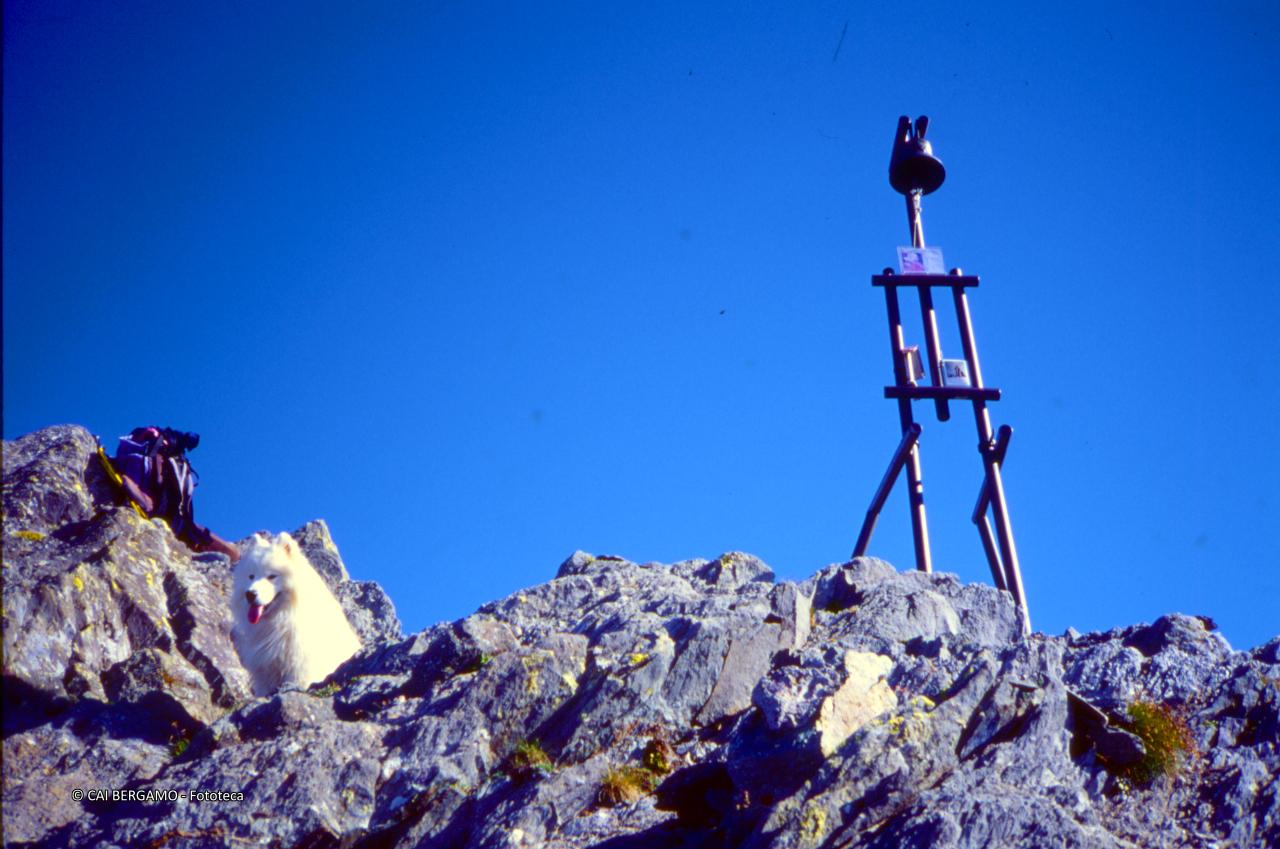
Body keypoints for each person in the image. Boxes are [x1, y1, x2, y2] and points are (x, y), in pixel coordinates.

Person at [113, 426, 240, 562]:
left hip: (175, 520)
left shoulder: (162, 452)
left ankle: (228, 556)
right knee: (231, 552)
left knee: (233, 553)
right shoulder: (160, 452)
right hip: (175, 521)